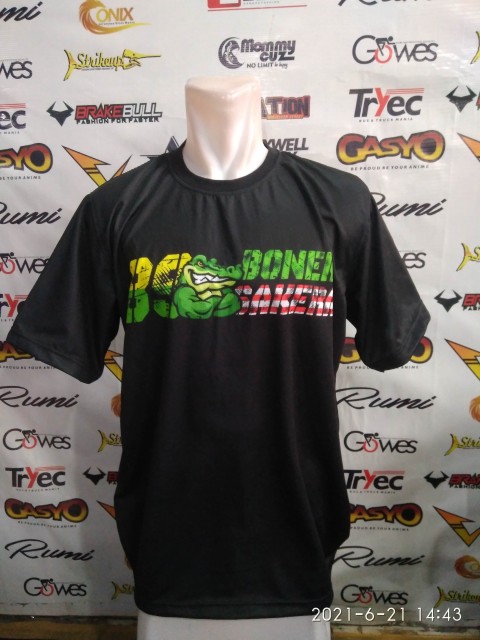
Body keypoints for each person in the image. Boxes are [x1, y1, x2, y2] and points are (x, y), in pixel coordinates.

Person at [7, 75, 429, 640]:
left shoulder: (339, 201)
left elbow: (389, 340)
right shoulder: (116, 208)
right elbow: (68, 337)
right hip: (169, 536)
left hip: (298, 535)